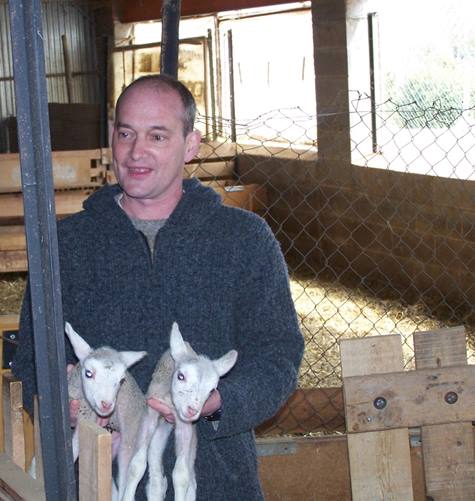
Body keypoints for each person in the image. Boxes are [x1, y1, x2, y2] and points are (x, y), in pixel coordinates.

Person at [12, 74, 304, 500]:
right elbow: (31, 358)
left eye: (157, 136)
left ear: (190, 145)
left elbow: (278, 353)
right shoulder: (67, 244)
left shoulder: (242, 239)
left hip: (214, 480)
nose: (135, 151)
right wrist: (62, 398)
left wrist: (218, 399)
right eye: (126, 132)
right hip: (97, 479)